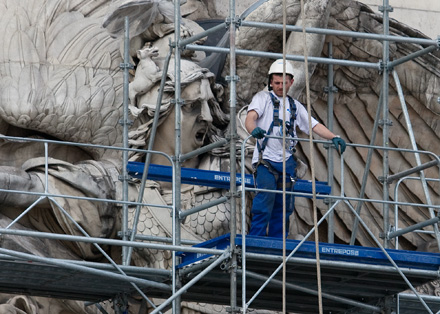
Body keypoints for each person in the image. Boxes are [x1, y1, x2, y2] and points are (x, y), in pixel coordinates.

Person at [245, 59, 346, 238]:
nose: (280, 87)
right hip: (266, 159)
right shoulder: (262, 99)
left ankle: (278, 242)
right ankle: (256, 240)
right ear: (270, 82)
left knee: (283, 206)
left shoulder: (295, 106)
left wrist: (334, 137)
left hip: (286, 163)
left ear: (291, 82)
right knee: (264, 200)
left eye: (284, 83)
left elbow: (313, 125)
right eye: (276, 83)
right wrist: (255, 130)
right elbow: (250, 118)